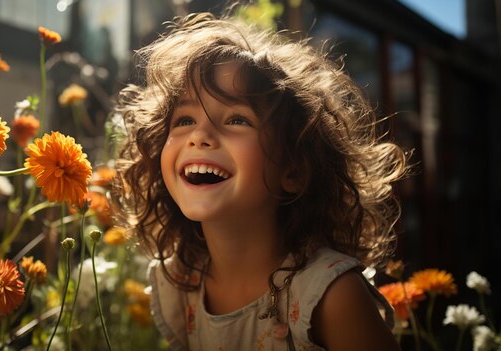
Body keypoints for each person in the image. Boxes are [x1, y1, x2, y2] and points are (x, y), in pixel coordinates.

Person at [113, 11, 406, 351]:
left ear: (293, 170)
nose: (200, 136)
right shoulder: (180, 284)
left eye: (237, 119)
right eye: (184, 119)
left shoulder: (332, 296)